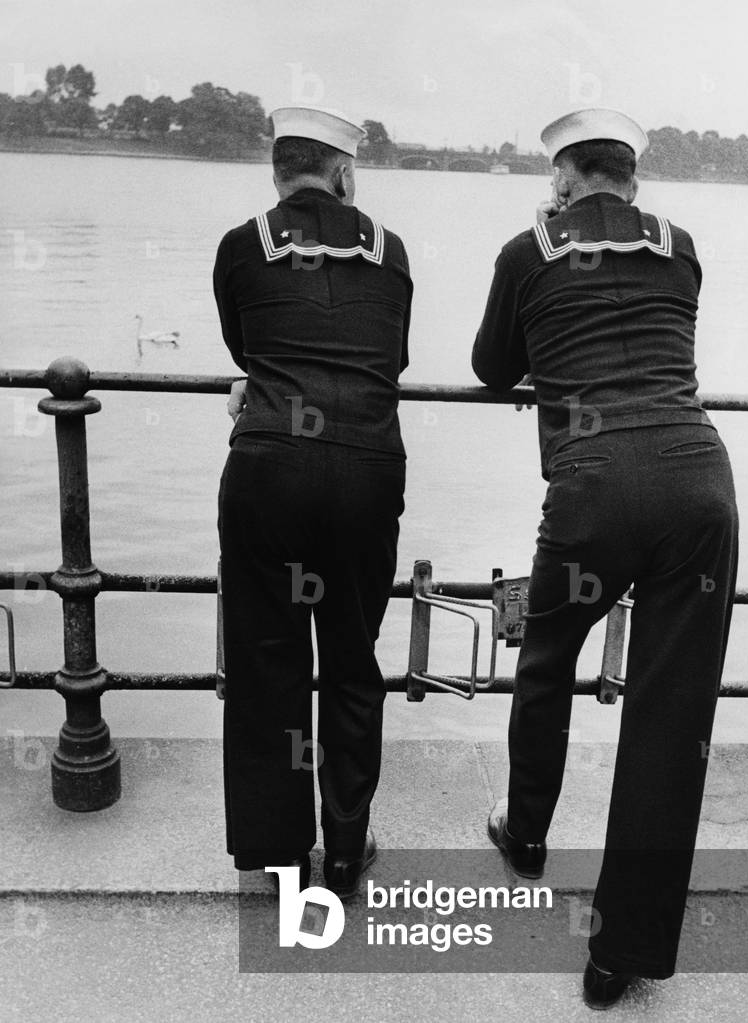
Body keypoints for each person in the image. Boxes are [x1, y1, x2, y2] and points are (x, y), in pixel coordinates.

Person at [471, 108, 738, 1008]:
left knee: (545, 663)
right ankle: (618, 954)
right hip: (696, 483)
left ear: (563, 177)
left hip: (590, 488)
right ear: (631, 179)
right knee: (670, 717)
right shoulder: (682, 244)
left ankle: (529, 832)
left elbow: (490, 367)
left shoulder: (526, 251)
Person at [214, 105, 412, 898]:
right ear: (344, 173)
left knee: (267, 661)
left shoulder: (240, 245)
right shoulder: (390, 251)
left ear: (277, 173)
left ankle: (278, 853)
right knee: (352, 661)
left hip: (269, 466)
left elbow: (245, 346)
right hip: (365, 470)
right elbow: (390, 356)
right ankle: (346, 846)